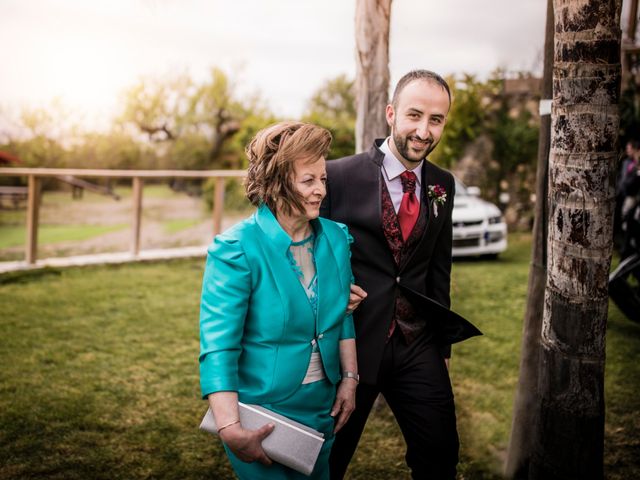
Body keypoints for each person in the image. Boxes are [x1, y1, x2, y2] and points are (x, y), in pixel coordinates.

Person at [322, 70, 479, 479]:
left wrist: (442, 351)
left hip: (418, 344)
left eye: (436, 119)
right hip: (352, 342)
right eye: (414, 115)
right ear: (391, 114)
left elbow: (438, 269)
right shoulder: (338, 176)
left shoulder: (442, 184)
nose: (424, 130)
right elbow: (308, 254)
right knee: (327, 459)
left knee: (440, 454)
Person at [199, 122, 364, 479]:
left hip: (323, 410)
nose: (321, 190)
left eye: (323, 179)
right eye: (309, 181)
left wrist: (349, 379)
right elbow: (219, 346)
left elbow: (343, 316)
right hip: (262, 414)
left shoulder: (337, 238)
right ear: (276, 184)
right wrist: (229, 427)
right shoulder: (237, 249)